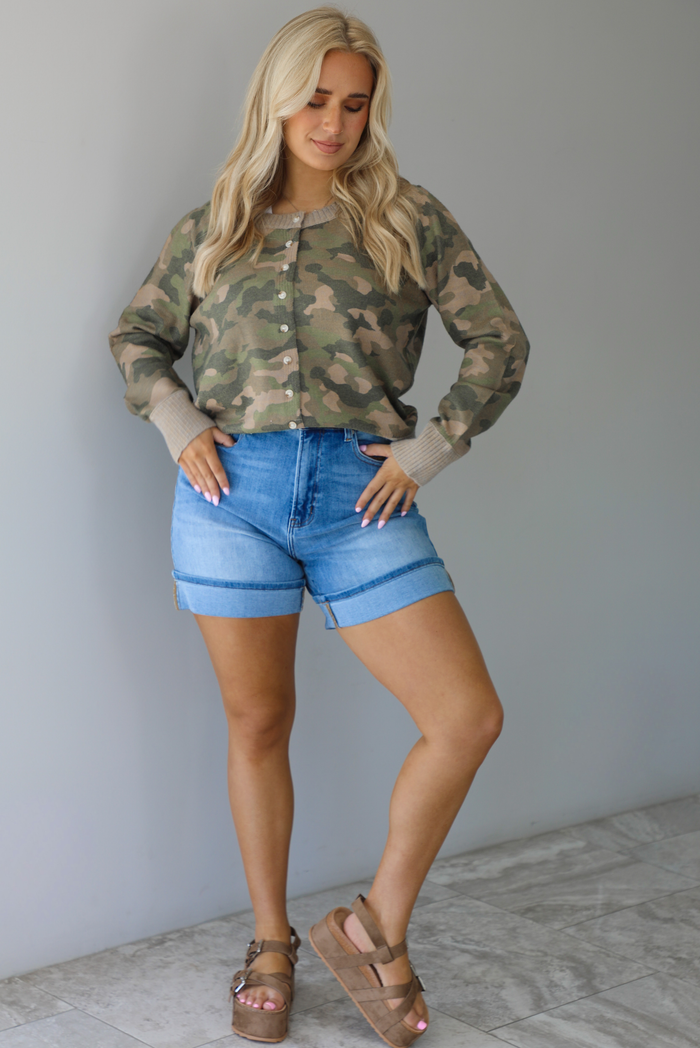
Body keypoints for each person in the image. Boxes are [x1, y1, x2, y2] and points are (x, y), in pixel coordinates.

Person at [109, 6, 529, 1045]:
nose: (332, 121)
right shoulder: (215, 223)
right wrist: (176, 421)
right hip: (226, 497)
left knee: (465, 716)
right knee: (258, 724)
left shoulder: (407, 218)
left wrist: (431, 449)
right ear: (275, 97)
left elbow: (499, 340)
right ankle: (269, 941)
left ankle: (373, 926)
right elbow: (138, 336)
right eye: (314, 97)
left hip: (359, 497)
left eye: (352, 103)